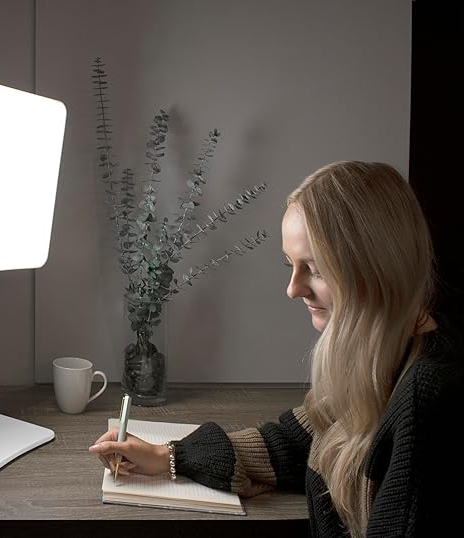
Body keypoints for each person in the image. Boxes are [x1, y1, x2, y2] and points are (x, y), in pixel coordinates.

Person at [89, 161, 463, 537]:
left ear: (375, 267)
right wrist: (169, 456)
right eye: (290, 265)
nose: (293, 288)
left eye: (314, 269)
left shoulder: (426, 401)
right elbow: (290, 444)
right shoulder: (383, 357)